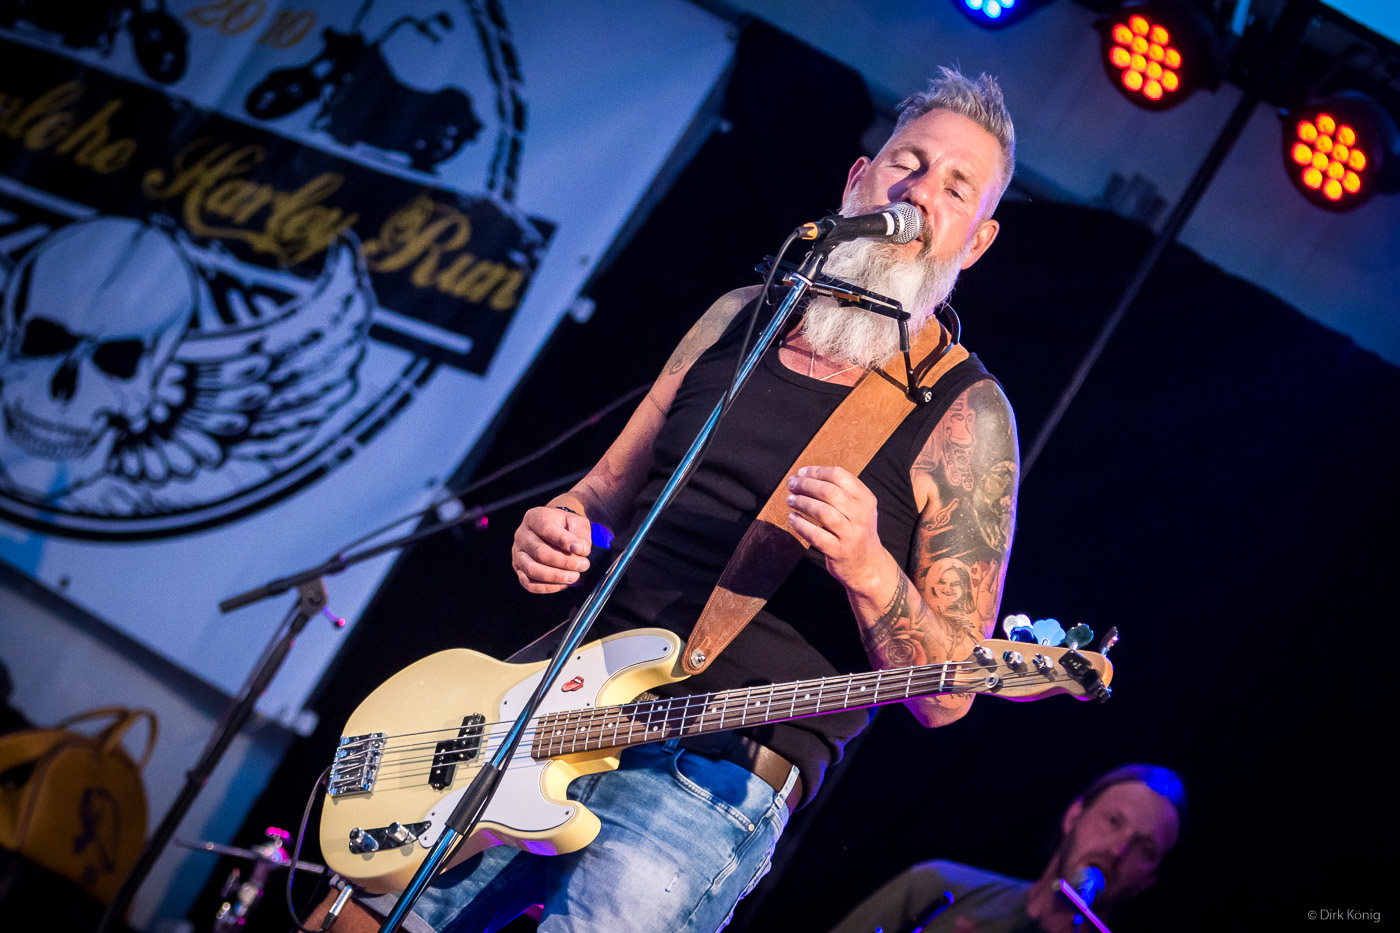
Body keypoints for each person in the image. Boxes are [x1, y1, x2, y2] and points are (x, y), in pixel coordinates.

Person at [353, 65, 1021, 933]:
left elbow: (948, 692)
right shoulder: (741, 315)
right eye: (909, 161)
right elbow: (603, 490)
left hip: (711, 775)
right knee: (361, 916)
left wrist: (868, 567)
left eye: (956, 187)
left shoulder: (964, 412)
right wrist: (560, 526)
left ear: (976, 241)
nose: (921, 191)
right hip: (550, 706)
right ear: (860, 179)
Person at [827, 765, 1187, 933]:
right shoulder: (937, 885)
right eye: (1113, 821)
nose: (1118, 850)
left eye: (1145, 849)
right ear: (1073, 816)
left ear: (1148, 880)